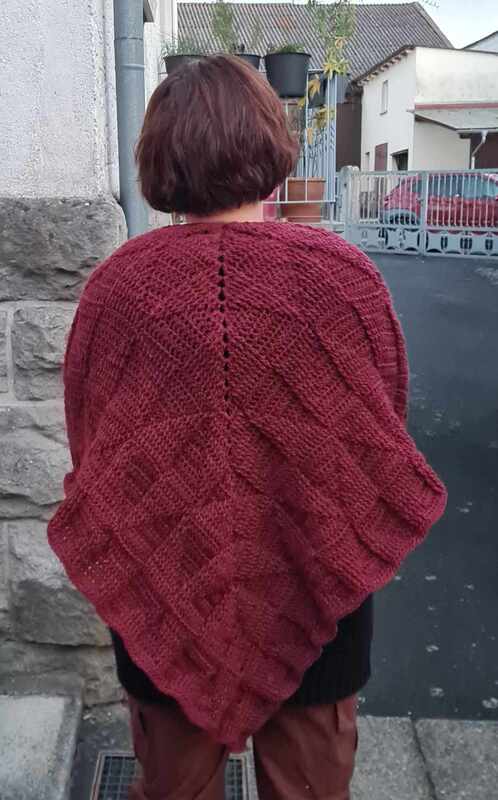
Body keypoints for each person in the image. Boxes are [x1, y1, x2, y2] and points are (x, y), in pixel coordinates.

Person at [48, 56, 447, 800]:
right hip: (317, 585)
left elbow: (89, 444)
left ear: (159, 155)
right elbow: (380, 439)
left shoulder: (117, 291)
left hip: (167, 592)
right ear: (269, 141)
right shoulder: (344, 279)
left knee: (174, 790)